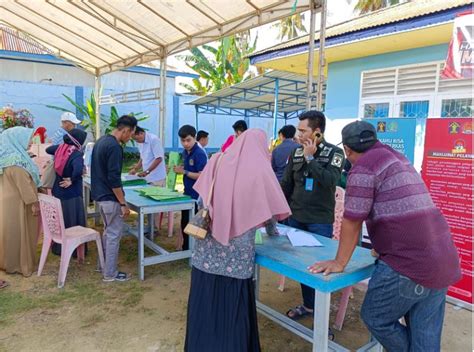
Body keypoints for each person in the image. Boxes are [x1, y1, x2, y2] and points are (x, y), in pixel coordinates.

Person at [309, 120, 461, 352]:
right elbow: (401, 207)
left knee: (376, 318)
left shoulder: (362, 168)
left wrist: (340, 262)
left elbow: (352, 220)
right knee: (426, 334)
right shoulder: (397, 158)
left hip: (409, 263)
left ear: (347, 150)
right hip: (443, 257)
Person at [185, 129, 291, 352]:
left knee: (206, 303)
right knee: (233, 306)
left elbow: (203, 198)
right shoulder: (260, 170)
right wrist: (272, 231)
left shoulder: (216, 160)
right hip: (237, 254)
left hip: (207, 250)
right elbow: (270, 210)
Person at [280, 110, 344, 319]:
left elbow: (329, 180)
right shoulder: (296, 153)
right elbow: (286, 184)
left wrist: (310, 158)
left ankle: (321, 314)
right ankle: (309, 305)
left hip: (319, 222)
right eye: (298, 130)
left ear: (317, 132)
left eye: (302, 130)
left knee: (319, 269)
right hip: (296, 219)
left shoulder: (335, 153)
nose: (298, 135)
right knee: (300, 265)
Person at [91, 115, 137, 282]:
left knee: (107, 232)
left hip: (100, 196)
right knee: (113, 235)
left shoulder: (101, 141)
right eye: (130, 134)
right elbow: (114, 180)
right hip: (110, 198)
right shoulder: (115, 147)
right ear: (125, 130)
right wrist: (123, 203)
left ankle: (102, 265)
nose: (130, 137)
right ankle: (110, 273)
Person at [0, 127, 41, 277]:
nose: (30, 142)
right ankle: (19, 265)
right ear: (16, 139)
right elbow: (24, 186)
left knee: (10, 233)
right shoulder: (16, 162)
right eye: (28, 138)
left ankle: (7, 262)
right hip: (19, 203)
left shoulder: (5, 158)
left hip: (7, 202)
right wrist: (34, 203)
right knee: (19, 233)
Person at [46, 129, 88, 256]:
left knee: (62, 219)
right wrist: (72, 179)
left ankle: (59, 247)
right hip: (72, 193)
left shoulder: (59, 148)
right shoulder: (76, 154)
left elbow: (48, 150)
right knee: (73, 219)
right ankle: (75, 251)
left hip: (58, 190)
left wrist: (61, 147)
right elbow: (78, 169)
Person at [173, 125, 207, 251]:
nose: (185, 143)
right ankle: (186, 249)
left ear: (194, 138)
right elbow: (186, 167)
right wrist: (178, 168)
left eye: (188, 140)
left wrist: (184, 172)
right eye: (183, 141)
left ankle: (195, 251)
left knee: (195, 225)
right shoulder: (185, 152)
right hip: (187, 193)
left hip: (197, 196)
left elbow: (202, 175)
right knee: (185, 223)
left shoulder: (199, 153)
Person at [130, 126, 168, 235]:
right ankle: (149, 227)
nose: (137, 141)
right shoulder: (140, 142)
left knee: (155, 204)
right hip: (147, 177)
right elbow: (142, 157)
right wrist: (136, 168)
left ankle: (155, 229)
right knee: (147, 202)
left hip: (157, 177)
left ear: (141, 133)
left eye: (137, 138)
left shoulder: (154, 140)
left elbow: (159, 158)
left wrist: (147, 171)